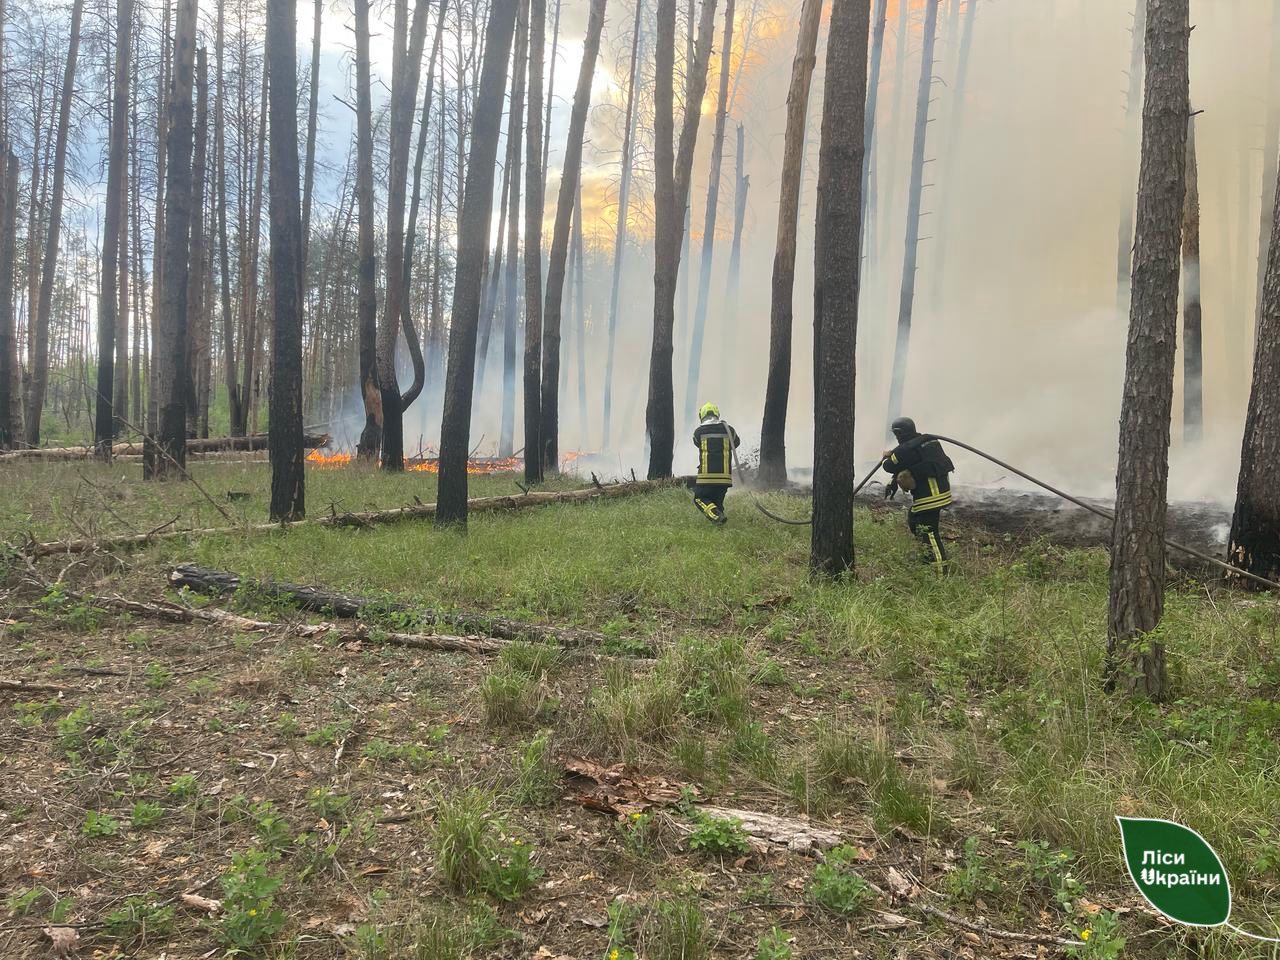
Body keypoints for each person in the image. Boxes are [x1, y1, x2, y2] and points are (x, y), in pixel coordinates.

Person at [882, 417, 955, 571]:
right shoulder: (930, 441)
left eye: (896, 435)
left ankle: (940, 572)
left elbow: (888, 466)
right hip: (942, 492)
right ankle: (926, 556)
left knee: (929, 533)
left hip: (930, 497)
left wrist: (888, 455)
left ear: (899, 433)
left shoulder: (905, 450)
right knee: (914, 519)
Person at [692, 402, 740, 525]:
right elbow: (736, 443)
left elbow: (697, 443)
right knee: (717, 503)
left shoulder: (698, 432)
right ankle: (720, 523)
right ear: (717, 414)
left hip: (706, 476)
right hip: (724, 477)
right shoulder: (729, 430)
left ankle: (716, 517)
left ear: (701, 416)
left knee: (699, 499)